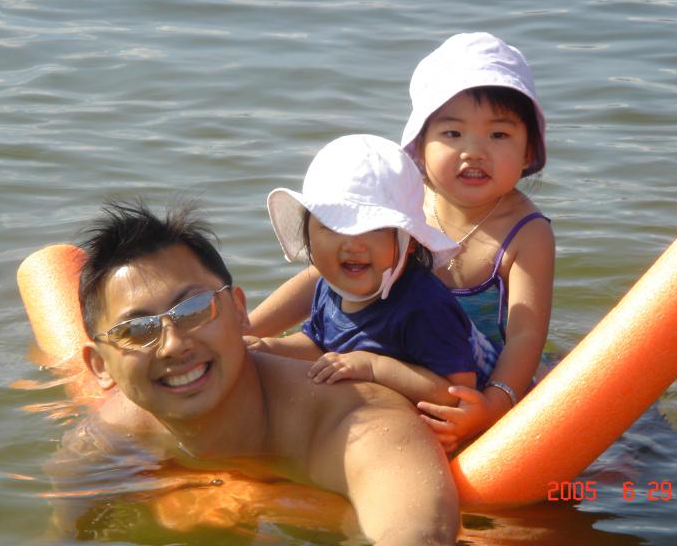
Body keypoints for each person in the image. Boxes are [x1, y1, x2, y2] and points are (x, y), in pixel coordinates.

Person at [49, 199, 460, 546]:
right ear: (101, 367)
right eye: (137, 331)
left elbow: (414, 532)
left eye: (194, 309)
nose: (173, 344)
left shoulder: (357, 423)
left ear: (240, 309)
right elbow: (65, 532)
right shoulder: (113, 434)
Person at [248, 32, 555, 453]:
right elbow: (326, 272)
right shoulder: (405, 206)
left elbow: (525, 337)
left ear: (528, 151)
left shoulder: (527, 232)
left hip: (478, 379)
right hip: (399, 360)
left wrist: (496, 404)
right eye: (452, 134)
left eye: (498, 135)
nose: (474, 152)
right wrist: (248, 330)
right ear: (419, 148)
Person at [247, 134, 500, 406]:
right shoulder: (329, 288)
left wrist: (374, 368)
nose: (353, 244)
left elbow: (460, 393)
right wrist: (267, 349)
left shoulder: (423, 307)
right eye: (333, 226)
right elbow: (319, 345)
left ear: (410, 241)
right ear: (307, 234)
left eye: (375, 228)